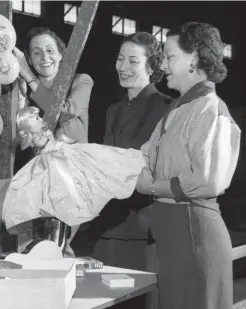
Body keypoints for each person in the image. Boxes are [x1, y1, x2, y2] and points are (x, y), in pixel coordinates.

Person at [136, 22, 240, 309]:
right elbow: (145, 156)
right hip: (173, 237)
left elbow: (208, 180)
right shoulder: (178, 109)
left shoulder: (211, 109)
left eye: (170, 56)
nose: (163, 64)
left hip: (195, 236)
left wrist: (152, 186)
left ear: (193, 58)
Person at [73, 32, 171, 271]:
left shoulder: (165, 106)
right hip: (108, 222)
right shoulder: (113, 110)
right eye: (120, 58)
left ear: (152, 66)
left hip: (140, 223)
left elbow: (138, 162)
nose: (123, 66)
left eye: (133, 61)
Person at [2, 106, 145, 254]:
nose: (40, 119)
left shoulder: (46, 132)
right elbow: (35, 148)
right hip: (49, 168)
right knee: (48, 208)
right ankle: (50, 249)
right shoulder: (35, 137)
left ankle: (58, 247)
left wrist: (54, 145)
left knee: (63, 206)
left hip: (58, 165)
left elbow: (54, 145)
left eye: (38, 117)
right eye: (36, 119)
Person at [12, 26, 94, 255]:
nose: (44, 57)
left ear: (61, 54)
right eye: (36, 52)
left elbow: (66, 110)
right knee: (33, 249)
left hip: (71, 177)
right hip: (38, 178)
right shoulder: (23, 89)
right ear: (29, 58)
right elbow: (18, 135)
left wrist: (28, 75)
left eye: (49, 50)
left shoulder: (81, 81)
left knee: (58, 246)